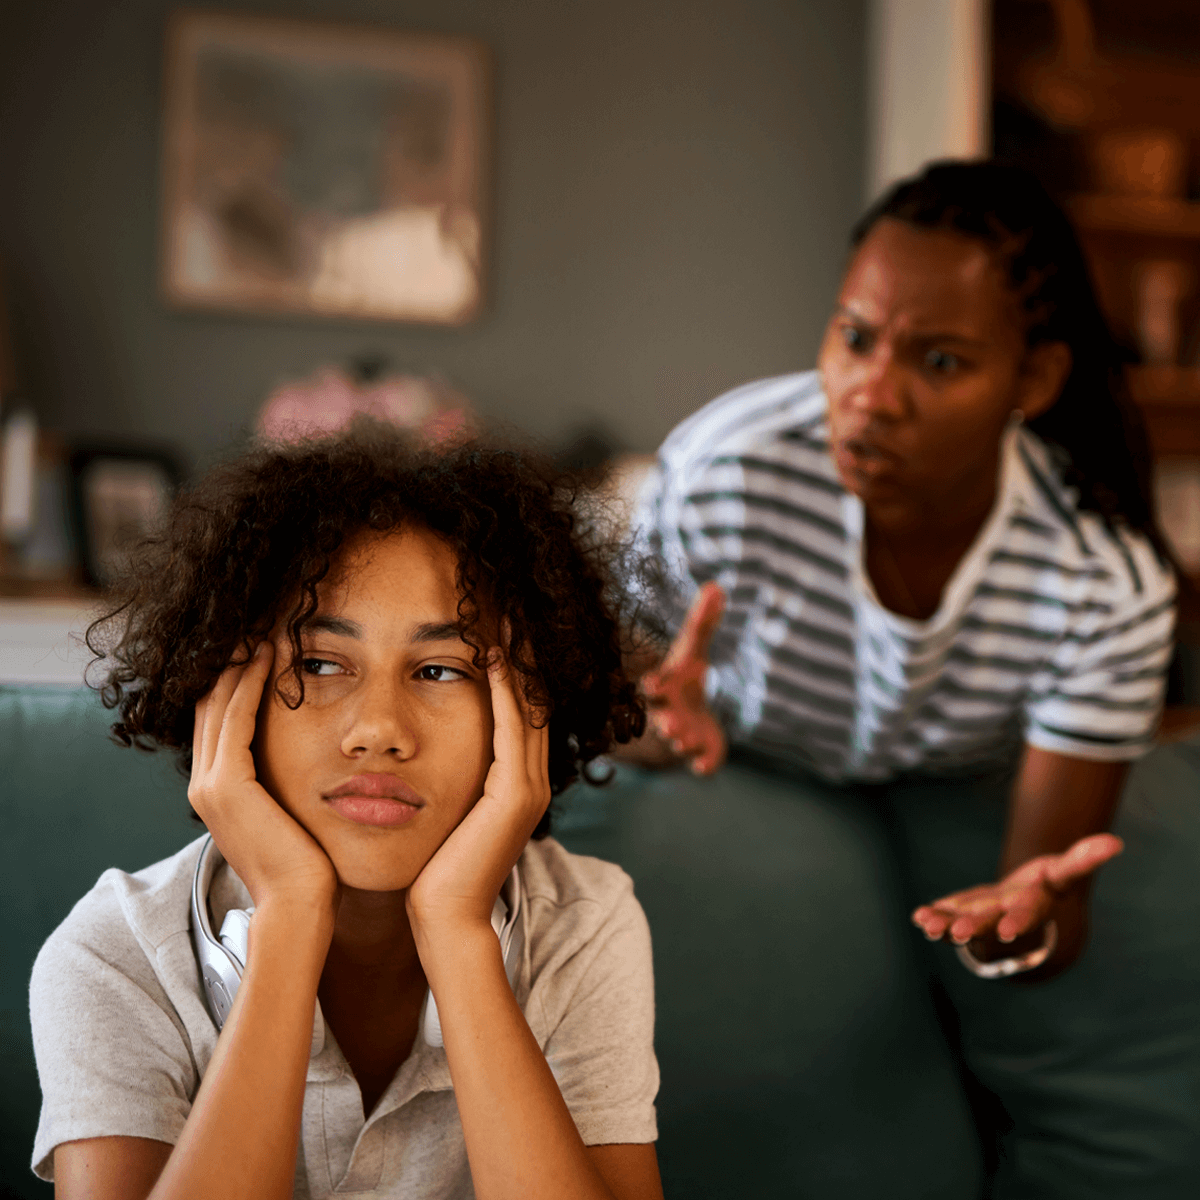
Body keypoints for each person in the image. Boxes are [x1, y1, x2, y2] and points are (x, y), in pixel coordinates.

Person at [631, 160, 1193, 1192]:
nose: (869, 394)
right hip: (752, 759)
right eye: (853, 337)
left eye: (938, 361)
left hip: (963, 775)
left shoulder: (1103, 579)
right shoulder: (728, 471)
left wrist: (1022, 928)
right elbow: (625, 707)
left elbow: (1043, 901)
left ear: (1034, 382)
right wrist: (655, 732)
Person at [29, 428, 663, 1200]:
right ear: (230, 700)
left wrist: (459, 933)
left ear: (525, 711)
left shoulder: (583, 924)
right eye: (322, 663)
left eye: (439, 669)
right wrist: (291, 918)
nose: (379, 731)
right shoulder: (114, 958)